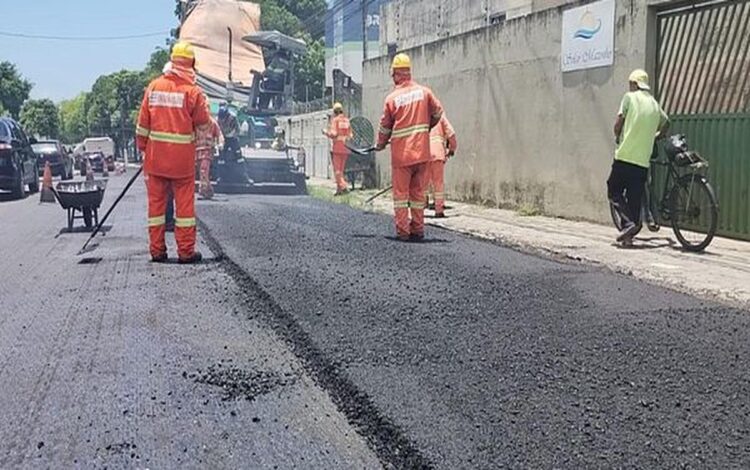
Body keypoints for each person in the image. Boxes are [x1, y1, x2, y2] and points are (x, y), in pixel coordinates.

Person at [136, 41, 210, 263]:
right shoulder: (193, 92)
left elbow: (142, 125)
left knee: (156, 209)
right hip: (181, 163)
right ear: (192, 64)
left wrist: (143, 149)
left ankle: (157, 251)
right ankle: (186, 252)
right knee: (185, 209)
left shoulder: (153, 87)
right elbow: (203, 121)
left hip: (156, 160)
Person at [375, 53, 443, 241]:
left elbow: (385, 126)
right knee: (418, 195)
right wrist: (426, 127)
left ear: (396, 74)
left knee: (401, 196)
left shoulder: (392, 99)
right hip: (422, 153)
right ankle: (418, 229)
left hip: (402, 156)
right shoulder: (425, 92)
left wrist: (380, 144)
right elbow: (438, 113)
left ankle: (403, 232)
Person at [609, 69, 669, 245]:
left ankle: (628, 224)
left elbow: (618, 123)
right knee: (635, 197)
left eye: (630, 83)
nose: (630, 86)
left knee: (613, 189)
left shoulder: (629, 97)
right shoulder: (654, 104)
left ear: (635, 84)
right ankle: (629, 236)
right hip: (643, 161)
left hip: (625, 155)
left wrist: (617, 132)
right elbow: (667, 122)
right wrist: (656, 136)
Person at [427, 114, 457, 218]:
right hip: (437, 153)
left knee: (422, 182)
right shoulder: (441, 117)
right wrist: (452, 148)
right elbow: (451, 134)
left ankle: (419, 207)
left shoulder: (422, 117)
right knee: (438, 183)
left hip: (423, 154)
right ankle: (438, 210)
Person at [322, 102, 352, 195]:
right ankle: (339, 191)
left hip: (337, 148)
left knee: (337, 171)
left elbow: (333, 134)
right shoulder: (347, 121)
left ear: (334, 112)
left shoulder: (335, 120)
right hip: (346, 148)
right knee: (341, 171)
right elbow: (351, 135)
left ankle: (344, 186)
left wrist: (325, 132)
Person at [196, 107, 223, 200]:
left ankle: (203, 190)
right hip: (196, 151)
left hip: (207, 150)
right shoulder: (194, 122)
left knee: (203, 170)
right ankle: (208, 190)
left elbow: (219, 134)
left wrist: (220, 144)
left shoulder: (212, 123)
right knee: (202, 171)